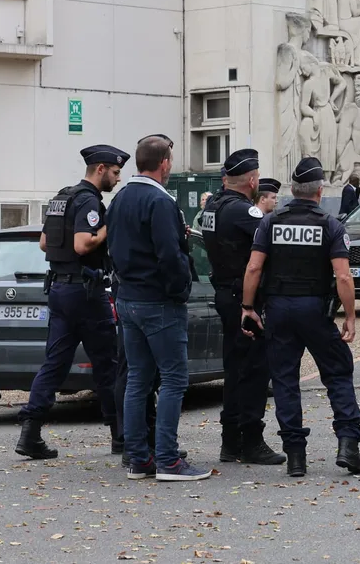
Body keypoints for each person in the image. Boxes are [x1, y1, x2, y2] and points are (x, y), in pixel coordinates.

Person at [240, 156, 360, 478]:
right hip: (315, 310)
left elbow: (254, 268)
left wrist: (247, 307)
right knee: (337, 373)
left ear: (293, 190)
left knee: (285, 380)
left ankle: (295, 456)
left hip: (279, 310)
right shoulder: (330, 225)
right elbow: (343, 276)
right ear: (319, 191)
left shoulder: (270, 222)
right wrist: (350, 316)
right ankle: (348, 445)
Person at [107, 134, 213, 481]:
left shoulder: (120, 198)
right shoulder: (161, 200)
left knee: (137, 379)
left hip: (128, 297)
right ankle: (168, 459)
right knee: (173, 379)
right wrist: (180, 289)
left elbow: (113, 246)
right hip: (158, 300)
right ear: (164, 163)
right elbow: (170, 254)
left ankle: (139, 458)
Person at [15, 145, 129, 460]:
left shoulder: (62, 197)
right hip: (86, 293)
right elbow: (82, 244)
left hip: (59, 290)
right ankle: (120, 436)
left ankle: (30, 432)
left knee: (54, 363)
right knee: (107, 364)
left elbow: (44, 243)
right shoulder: (89, 201)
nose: (118, 179)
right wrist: (108, 227)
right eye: (115, 172)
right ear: (101, 169)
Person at [199, 149, 286, 466]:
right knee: (253, 370)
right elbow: (273, 243)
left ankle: (230, 441)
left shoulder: (213, 206)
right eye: (257, 176)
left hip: (225, 293)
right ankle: (250, 441)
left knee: (235, 369)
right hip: (243, 297)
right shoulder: (243, 211)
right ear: (251, 180)